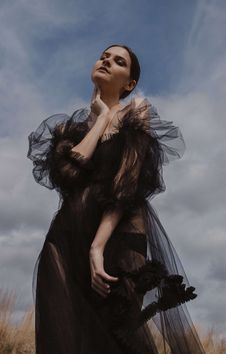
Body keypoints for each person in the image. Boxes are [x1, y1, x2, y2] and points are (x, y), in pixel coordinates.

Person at [27, 44, 205, 354]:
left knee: (117, 337)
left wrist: (98, 246)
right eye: (104, 57)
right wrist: (101, 119)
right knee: (63, 339)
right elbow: (67, 175)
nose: (107, 61)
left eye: (118, 61)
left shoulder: (136, 110)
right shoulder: (67, 128)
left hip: (120, 235)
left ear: (130, 83)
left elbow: (128, 182)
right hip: (65, 240)